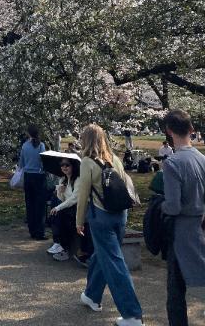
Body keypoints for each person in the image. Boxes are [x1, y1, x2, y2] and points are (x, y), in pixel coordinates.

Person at [76, 123, 143, 325]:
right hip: (120, 215)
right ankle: (91, 295)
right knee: (103, 255)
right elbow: (126, 185)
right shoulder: (114, 159)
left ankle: (132, 314)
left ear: (85, 140)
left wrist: (79, 221)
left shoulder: (87, 162)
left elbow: (83, 195)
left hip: (101, 216)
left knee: (114, 262)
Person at [161, 109, 205, 326]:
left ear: (169, 131)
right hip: (200, 227)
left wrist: (159, 205)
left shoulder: (172, 163)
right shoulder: (202, 159)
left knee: (176, 292)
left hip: (180, 232)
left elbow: (173, 206)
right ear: (191, 129)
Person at [47, 157, 81, 261]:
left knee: (59, 213)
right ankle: (58, 243)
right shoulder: (63, 179)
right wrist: (60, 191)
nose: (64, 167)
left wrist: (58, 208)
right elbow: (62, 199)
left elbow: (74, 199)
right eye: (62, 165)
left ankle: (64, 247)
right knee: (55, 212)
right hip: (67, 207)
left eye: (67, 165)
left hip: (78, 208)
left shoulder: (78, 180)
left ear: (73, 166)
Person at [18, 125, 47, 240]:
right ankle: (40, 232)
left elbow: (21, 164)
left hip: (28, 177)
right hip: (39, 177)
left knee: (29, 204)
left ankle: (32, 230)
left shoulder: (25, 146)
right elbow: (43, 161)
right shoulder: (41, 145)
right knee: (40, 205)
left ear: (28, 134)